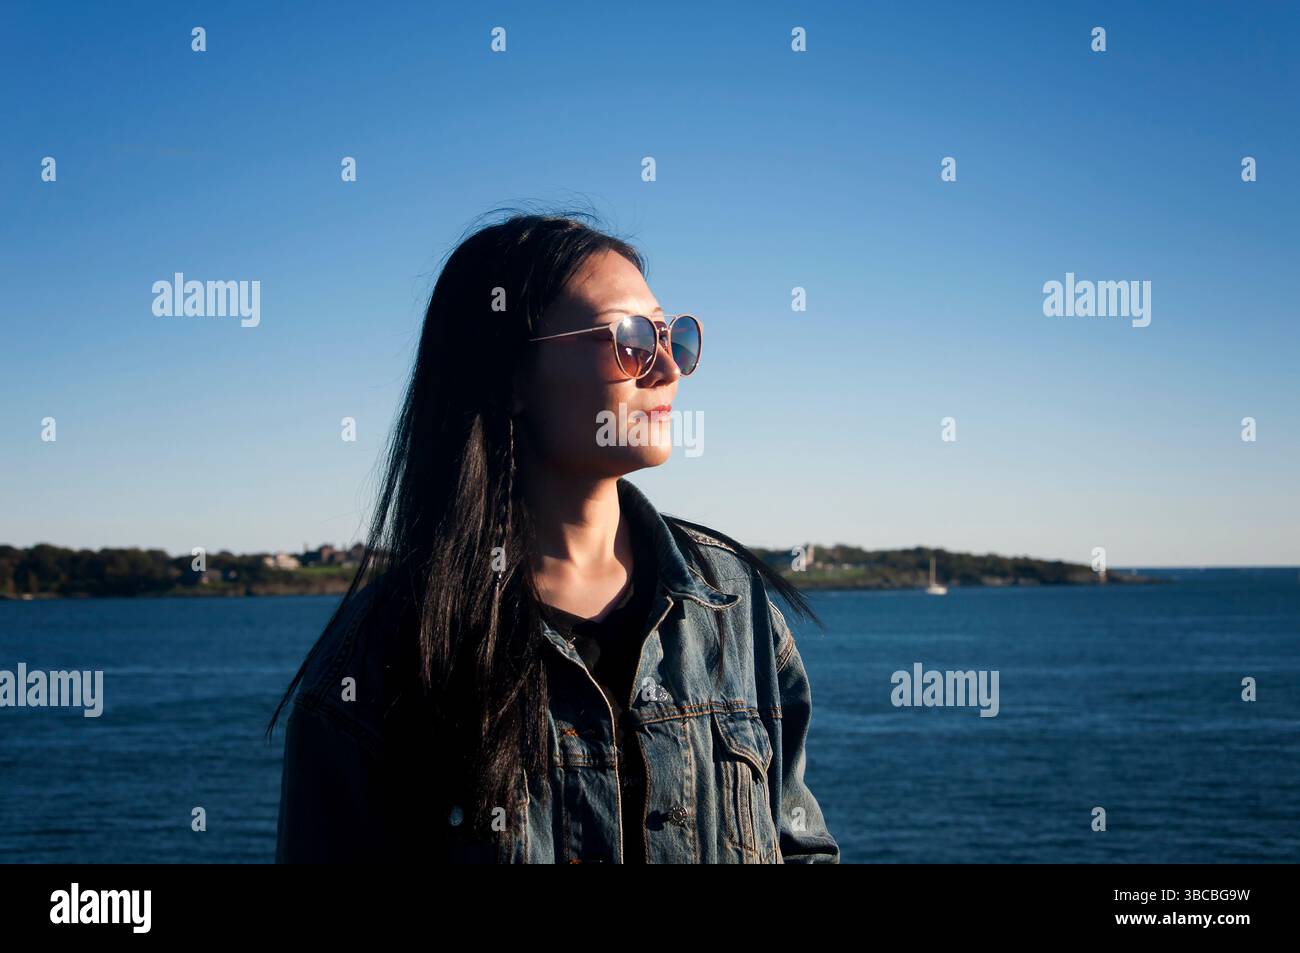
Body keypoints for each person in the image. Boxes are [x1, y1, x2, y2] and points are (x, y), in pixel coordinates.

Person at [268, 209, 839, 863]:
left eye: (672, 336)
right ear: (510, 376)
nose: (669, 370)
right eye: (629, 339)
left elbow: (800, 847)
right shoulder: (377, 664)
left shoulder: (734, 605)